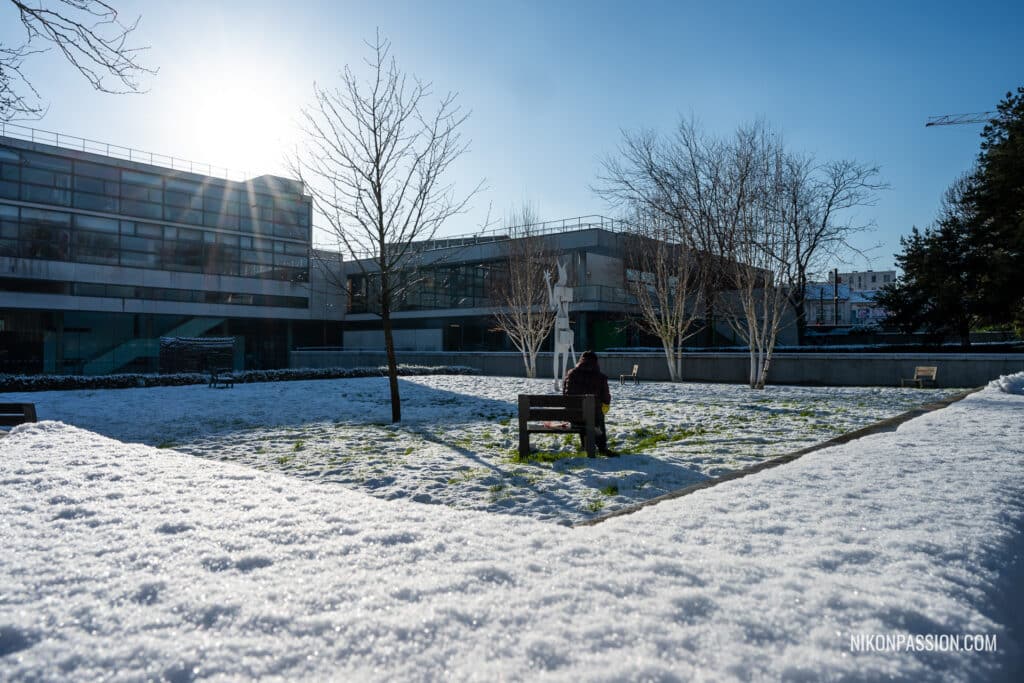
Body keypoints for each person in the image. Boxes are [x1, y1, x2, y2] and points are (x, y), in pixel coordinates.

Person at [562, 350, 616, 456]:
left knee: (582, 413)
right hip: (594, 417)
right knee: (596, 414)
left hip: (574, 417)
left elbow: (565, 396)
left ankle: (585, 444)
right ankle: (602, 447)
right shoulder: (600, 377)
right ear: (596, 362)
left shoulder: (571, 374)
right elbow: (606, 399)